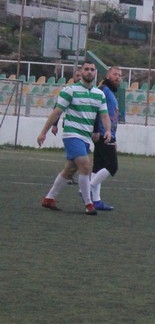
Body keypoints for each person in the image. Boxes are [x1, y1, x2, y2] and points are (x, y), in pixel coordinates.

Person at [37, 60, 111, 215]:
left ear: (95, 72)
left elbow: (104, 115)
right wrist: (44, 132)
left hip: (85, 137)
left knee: (70, 170)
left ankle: (49, 198)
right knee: (86, 165)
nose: (89, 72)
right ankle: (89, 204)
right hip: (71, 134)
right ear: (81, 72)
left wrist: (108, 130)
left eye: (92, 69)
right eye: (86, 69)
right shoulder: (70, 90)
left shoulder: (99, 94)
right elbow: (57, 112)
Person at [89, 66, 122, 211]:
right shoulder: (103, 89)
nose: (118, 77)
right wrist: (96, 129)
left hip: (108, 134)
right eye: (115, 74)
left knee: (98, 167)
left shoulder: (110, 92)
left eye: (119, 75)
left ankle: (96, 201)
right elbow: (96, 110)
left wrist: (115, 137)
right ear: (108, 76)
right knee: (112, 166)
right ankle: (88, 188)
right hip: (103, 134)